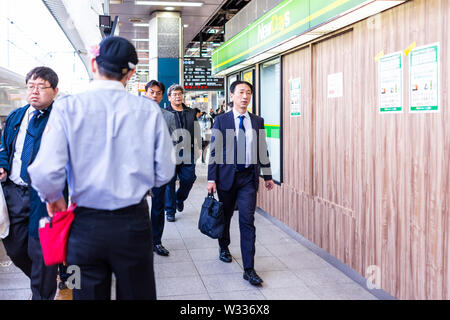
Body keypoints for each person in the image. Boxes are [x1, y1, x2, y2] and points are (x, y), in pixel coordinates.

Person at [28, 36, 175, 300]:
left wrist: (55, 199)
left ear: (94, 65)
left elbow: (43, 171)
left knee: (83, 294)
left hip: (82, 227)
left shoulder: (67, 108)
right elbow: (165, 171)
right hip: (134, 224)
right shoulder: (149, 111)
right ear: (131, 73)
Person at [0, 66, 61, 300]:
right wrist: (2, 162)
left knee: (43, 253)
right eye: (30, 86)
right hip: (14, 193)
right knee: (15, 249)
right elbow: (4, 145)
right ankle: (43, 279)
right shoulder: (17, 116)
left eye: (41, 87)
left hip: (46, 198)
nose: (34, 92)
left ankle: (43, 293)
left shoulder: (62, 119)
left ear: (55, 91)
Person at [207, 80, 274, 286]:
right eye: (241, 92)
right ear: (232, 95)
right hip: (227, 176)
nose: (245, 96)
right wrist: (211, 178)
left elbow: (262, 148)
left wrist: (268, 174)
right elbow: (215, 150)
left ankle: (249, 269)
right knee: (225, 217)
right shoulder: (221, 120)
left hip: (247, 178)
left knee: (247, 220)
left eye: (248, 93)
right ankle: (223, 246)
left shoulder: (257, 121)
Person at [144, 79, 176, 256]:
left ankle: (156, 241)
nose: (154, 95)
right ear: (146, 93)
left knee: (157, 206)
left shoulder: (169, 116)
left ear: (162, 96)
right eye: (151, 92)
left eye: (158, 93)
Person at [164, 84, 201, 222]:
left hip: (187, 151)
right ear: (169, 97)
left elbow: (197, 131)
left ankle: (179, 198)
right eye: (174, 94)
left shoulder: (191, 112)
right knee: (170, 183)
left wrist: (199, 147)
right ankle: (170, 210)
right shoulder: (164, 114)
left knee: (189, 178)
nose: (178, 96)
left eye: (180, 94)